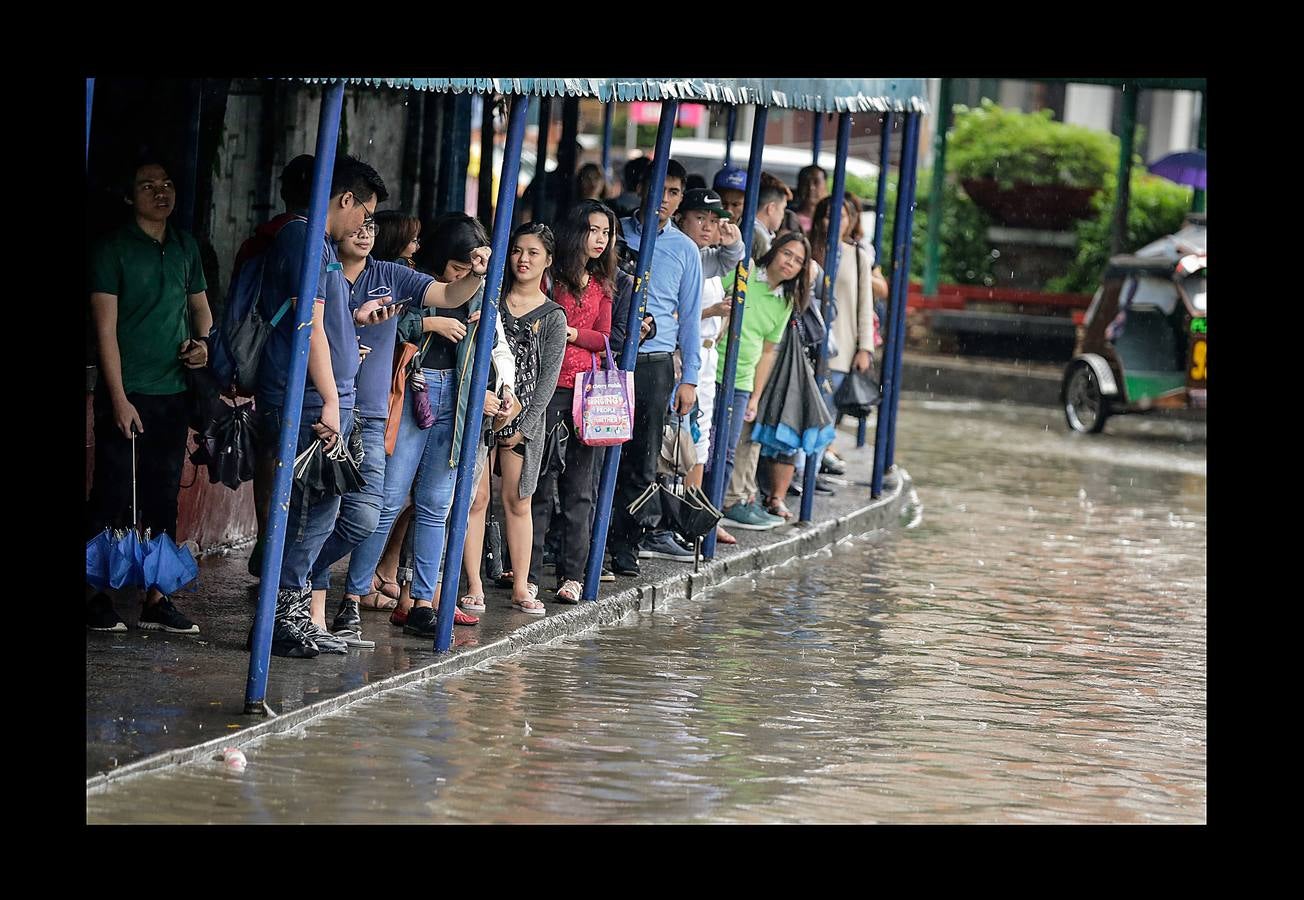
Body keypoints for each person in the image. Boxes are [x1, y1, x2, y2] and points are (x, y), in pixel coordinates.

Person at [252, 153, 486, 658]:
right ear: (346, 201)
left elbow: (441, 295)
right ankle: (281, 612)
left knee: (348, 515)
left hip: (341, 402)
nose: (368, 225)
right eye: (366, 212)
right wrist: (334, 399)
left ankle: (290, 602)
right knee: (311, 514)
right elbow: (307, 327)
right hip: (315, 403)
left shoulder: (332, 252)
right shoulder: (306, 241)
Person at [87, 159, 214, 634]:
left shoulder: (184, 247)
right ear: (128, 196)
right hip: (128, 391)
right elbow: (105, 332)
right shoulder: (112, 249)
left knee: (163, 496)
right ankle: (94, 595)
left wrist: (204, 346)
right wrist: (118, 398)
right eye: (147, 186)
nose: (161, 193)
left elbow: (202, 312)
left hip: (174, 391)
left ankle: (158, 599)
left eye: (167, 184)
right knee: (111, 493)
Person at [609, 160, 703, 573]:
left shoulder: (685, 249)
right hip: (609, 359)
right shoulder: (612, 234)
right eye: (658, 189)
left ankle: (626, 544)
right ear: (640, 187)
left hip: (655, 363)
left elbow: (691, 317)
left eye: (674, 193)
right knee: (593, 452)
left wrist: (690, 379)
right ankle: (574, 542)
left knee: (643, 459)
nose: (664, 200)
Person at [528, 201, 616, 603]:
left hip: (588, 395)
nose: (600, 239)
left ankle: (572, 576)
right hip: (546, 390)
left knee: (580, 489)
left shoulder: (603, 284)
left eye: (606, 233)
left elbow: (604, 337)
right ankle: (527, 572)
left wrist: (572, 334)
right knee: (538, 484)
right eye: (594, 230)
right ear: (577, 232)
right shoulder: (551, 279)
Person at [238, 154, 316, 579]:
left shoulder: (262, 238)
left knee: (271, 458)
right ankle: (276, 554)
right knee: (290, 461)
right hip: (291, 368)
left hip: (266, 365)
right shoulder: (307, 241)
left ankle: (267, 541)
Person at [490, 222, 567, 614]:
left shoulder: (553, 316)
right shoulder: (491, 301)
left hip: (525, 425)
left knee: (518, 500)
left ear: (548, 261)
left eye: (533, 253)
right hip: (481, 411)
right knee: (471, 500)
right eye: (518, 251)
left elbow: (547, 382)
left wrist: (518, 428)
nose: (523, 259)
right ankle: (472, 584)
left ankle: (522, 584)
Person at [715, 232, 813, 531]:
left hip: (744, 379)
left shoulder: (785, 301)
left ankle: (716, 511)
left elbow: (769, 351)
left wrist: (756, 397)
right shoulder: (743, 271)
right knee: (703, 445)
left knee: (729, 450)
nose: (790, 263)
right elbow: (711, 298)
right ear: (775, 251)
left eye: (798, 261)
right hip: (712, 368)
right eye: (787, 254)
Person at [672, 188, 745, 545]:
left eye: (713, 221)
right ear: (681, 218)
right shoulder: (679, 257)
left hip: (706, 356)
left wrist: (733, 240)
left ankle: (695, 519)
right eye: (700, 218)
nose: (707, 227)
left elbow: (732, 258)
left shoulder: (707, 259)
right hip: (680, 358)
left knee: (700, 442)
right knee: (679, 441)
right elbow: (672, 317)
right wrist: (713, 312)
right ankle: (676, 520)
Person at [792, 165, 828, 234]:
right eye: (805, 183)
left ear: (826, 186)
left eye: (816, 182)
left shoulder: (834, 220)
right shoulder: (788, 218)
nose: (811, 187)